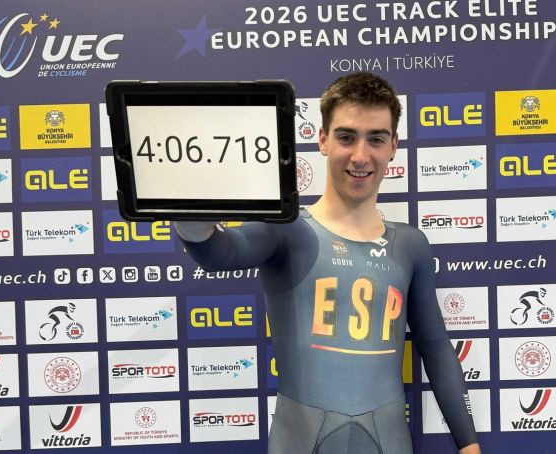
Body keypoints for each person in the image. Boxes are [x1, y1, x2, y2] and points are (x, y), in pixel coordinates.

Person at [175, 72, 482, 454]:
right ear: (322, 139)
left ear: (393, 146)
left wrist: (468, 445)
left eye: (376, 139)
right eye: (346, 137)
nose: (360, 156)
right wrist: (191, 215)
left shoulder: (410, 246)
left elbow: (435, 346)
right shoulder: (287, 230)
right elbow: (220, 252)